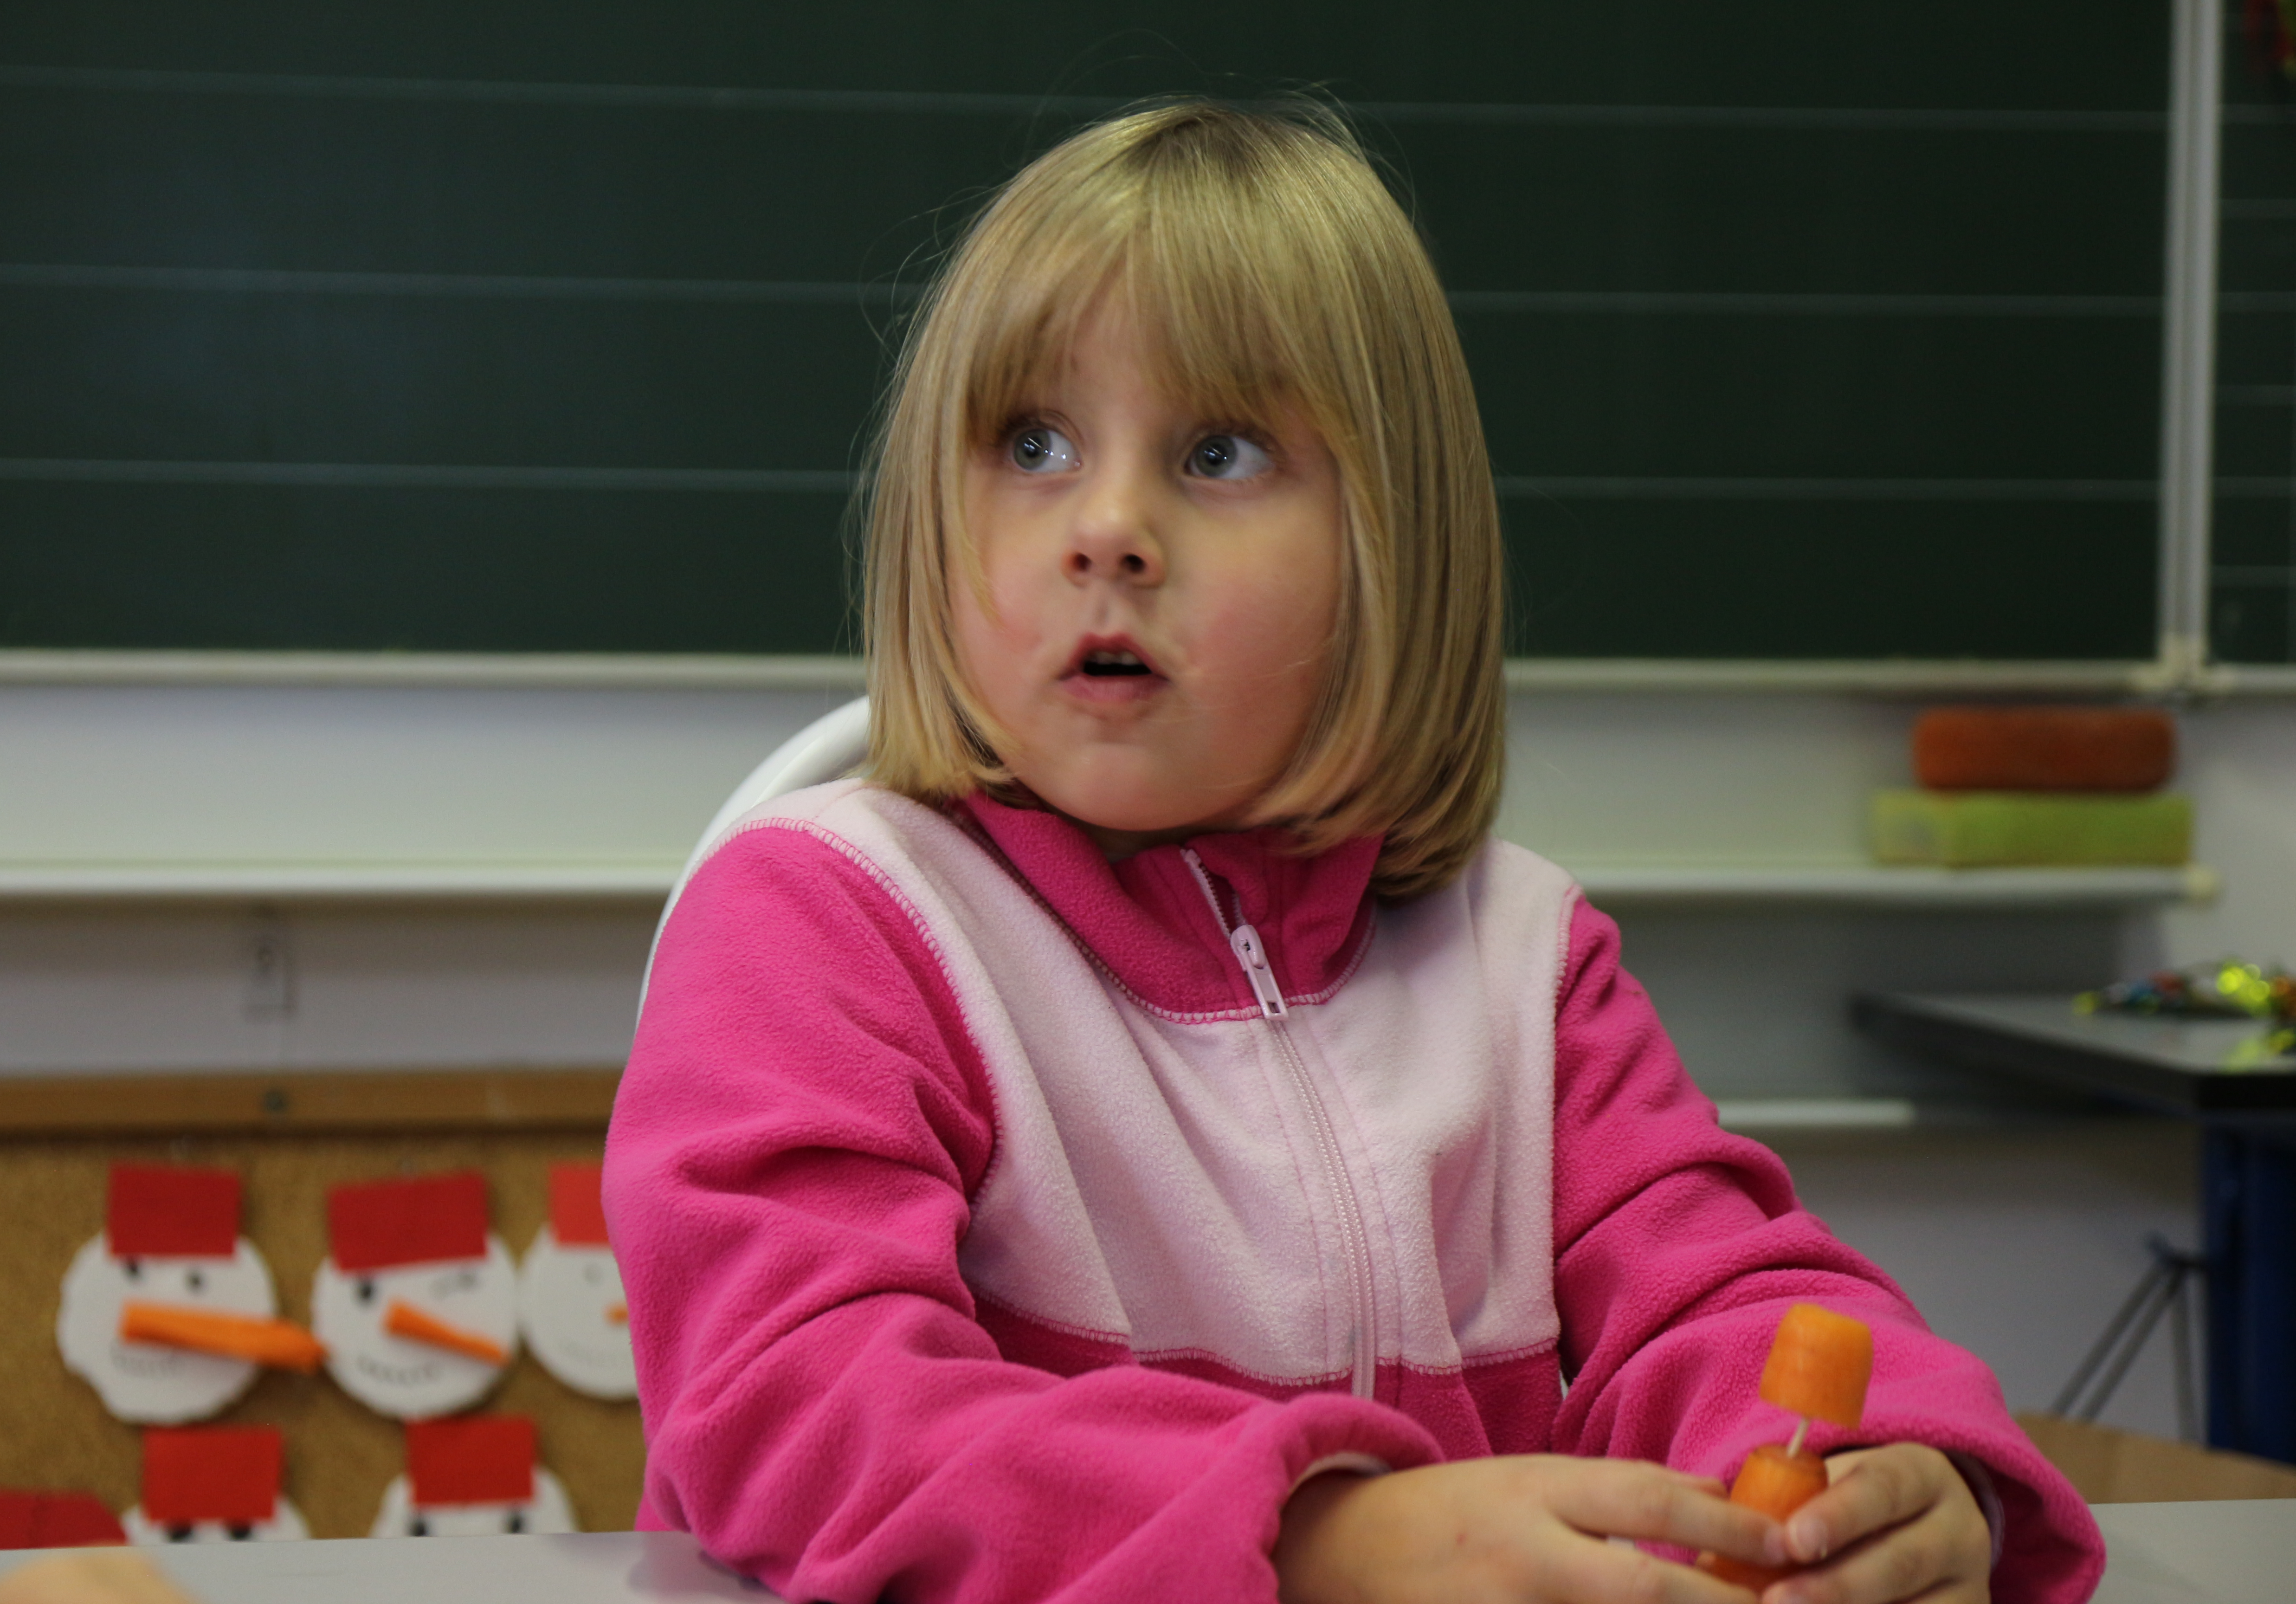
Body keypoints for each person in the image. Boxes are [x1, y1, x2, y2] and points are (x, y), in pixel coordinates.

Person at [606, 99, 2101, 1604]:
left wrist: (1873, 1475)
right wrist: (1315, 1539)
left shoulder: (1521, 965)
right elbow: (798, 1410)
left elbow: (1725, 1296)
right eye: (1034, 444)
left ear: (1393, 545)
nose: (1108, 530)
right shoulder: (828, 920)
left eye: (1220, 451)